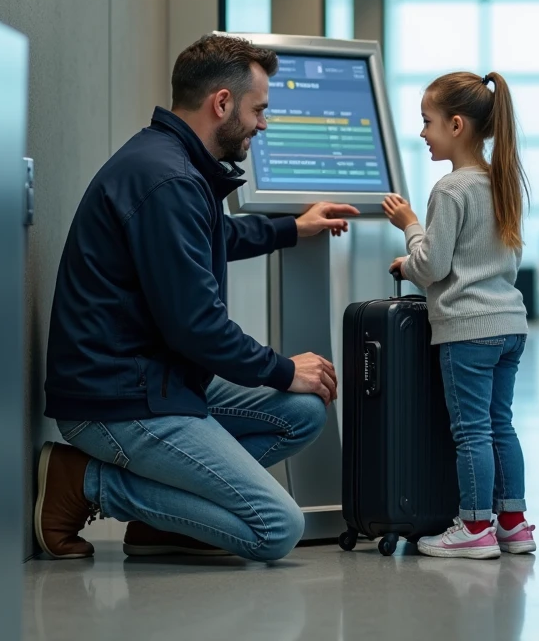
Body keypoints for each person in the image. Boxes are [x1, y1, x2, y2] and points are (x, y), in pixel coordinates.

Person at [34, 34, 359, 562]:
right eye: (258, 109)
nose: (263, 124)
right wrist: (280, 368)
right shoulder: (168, 179)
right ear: (222, 103)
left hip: (157, 384)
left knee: (304, 412)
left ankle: (164, 520)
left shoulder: (171, 163)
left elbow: (212, 236)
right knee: (276, 527)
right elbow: (196, 326)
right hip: (118, 403)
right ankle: (88, 482)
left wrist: (291, 228)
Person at [381, 71, 535, 560]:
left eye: (427, 121)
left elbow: (432, 266)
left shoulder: (450, 189)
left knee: (471, 431)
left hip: (468, 329)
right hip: (509, 324)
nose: (422, 132)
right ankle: (513, 524)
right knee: (500, 425)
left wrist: (410, 230)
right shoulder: (502, 182)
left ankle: (474, 527)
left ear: (456, 125)